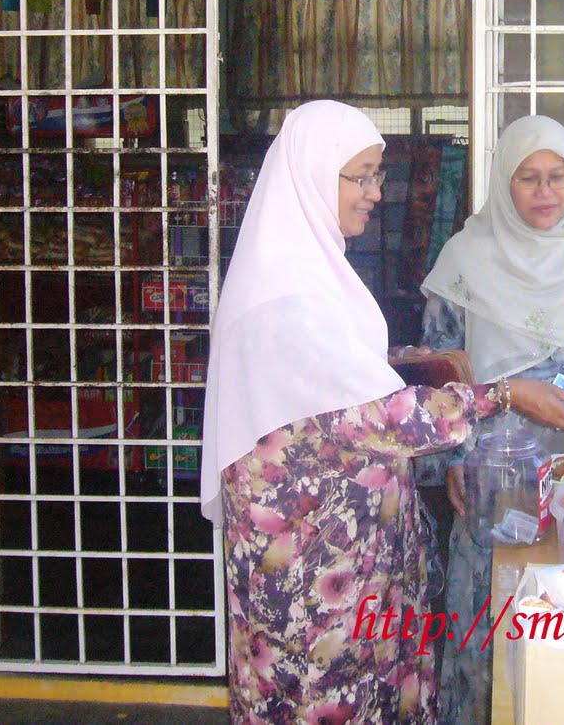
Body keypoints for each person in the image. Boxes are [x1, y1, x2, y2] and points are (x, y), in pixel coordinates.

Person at [201, 100, 537, 724]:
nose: (375, 193)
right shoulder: (287, 297)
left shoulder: (309, 275)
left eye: (376, 174)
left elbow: (332, 385)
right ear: (310, 173)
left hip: (353, 566)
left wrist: (407, 360)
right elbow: (376, 418)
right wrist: (503, 395)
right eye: (358, 176)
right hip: (312, 584)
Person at [418, 114, 564, 725]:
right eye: (528, 178)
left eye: (557, 177)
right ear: (504, 181)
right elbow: (440, 368)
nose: (546, 192)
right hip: (498, 480)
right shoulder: (466, 256)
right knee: (492, 621)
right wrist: (451, 460)